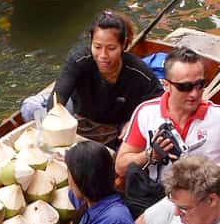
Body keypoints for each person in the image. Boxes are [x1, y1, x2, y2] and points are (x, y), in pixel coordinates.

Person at [115, 46, 220, 184]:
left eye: (200, 85)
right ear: (166, 85)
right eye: (185, 87)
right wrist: (151, 155)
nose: (194, 94)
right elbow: (120, 167)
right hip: (161, 197)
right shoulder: (146, 114)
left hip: (209, 201)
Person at [44, 10, 162, 144]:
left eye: (111, 48)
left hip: (116, 126)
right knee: (30, 108)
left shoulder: (139, 72)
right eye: (97, 47)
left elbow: (160, 101)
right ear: (91, 42)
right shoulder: (79, 60)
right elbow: (58, 96)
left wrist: (135, 120)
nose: (103, 55)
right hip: (80, 115)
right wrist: (56, 121)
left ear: (123, 45)